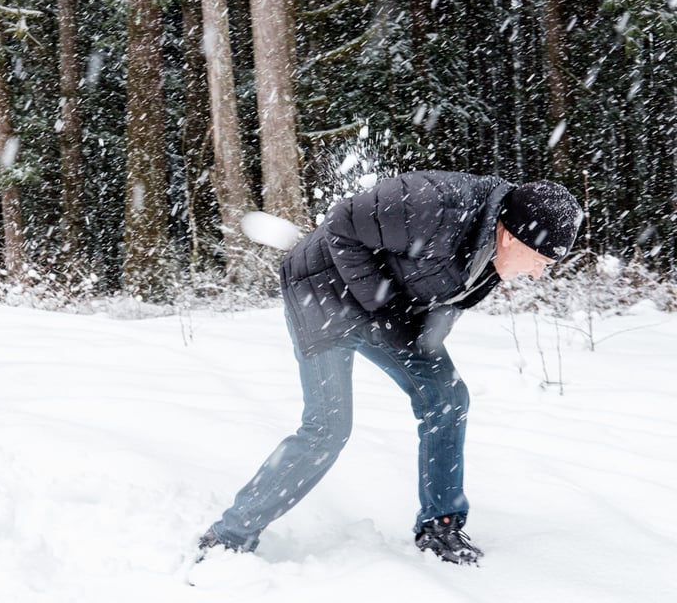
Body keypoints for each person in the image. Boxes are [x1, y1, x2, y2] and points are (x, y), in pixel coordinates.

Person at [199, 171, 583, 564]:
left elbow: (447, 294)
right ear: (510, 236)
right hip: (320, 294)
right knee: (327, 428)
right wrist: (385, 311)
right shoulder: (436, 204)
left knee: (447, 398)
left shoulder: (494, 252)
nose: (537, 273)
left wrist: (418, 331)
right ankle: (228, 536)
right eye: (539, 260)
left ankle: (440, 525)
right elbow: (341, 223)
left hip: (385, 308)